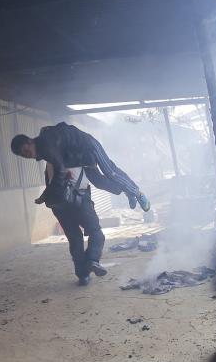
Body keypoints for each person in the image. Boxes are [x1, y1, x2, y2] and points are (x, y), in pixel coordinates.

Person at [10, 122, 151, 285]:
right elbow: (55, 175)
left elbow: (59, 171)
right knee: (98, 183)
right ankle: (87, 269)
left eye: (27, 151)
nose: (29, 156)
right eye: (24, 156)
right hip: (78, 167)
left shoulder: (48, 147)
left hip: (88, 148)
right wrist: (46, 195)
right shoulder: (53, 155)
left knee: (110, 171)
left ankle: (136, 192)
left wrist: (47, 195)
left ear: (30, 141)